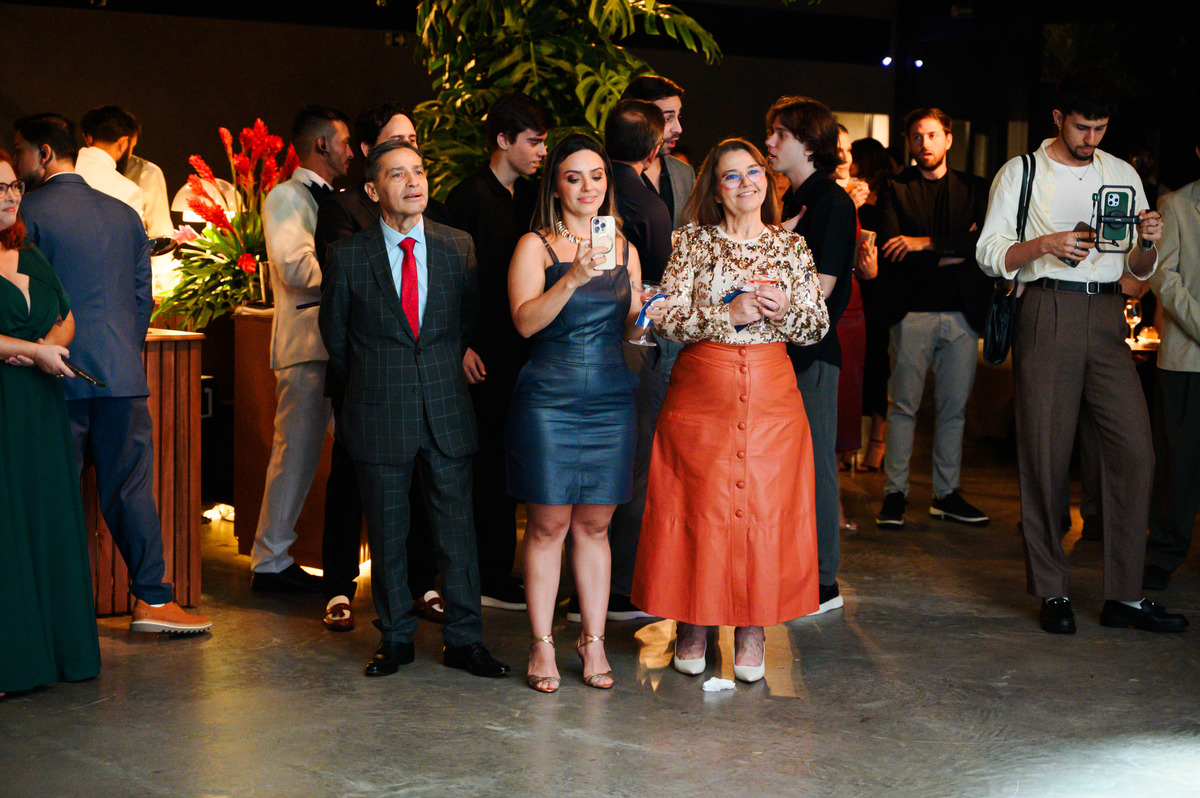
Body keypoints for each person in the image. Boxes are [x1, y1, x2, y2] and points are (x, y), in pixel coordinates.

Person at [976, 69, 1187, 634]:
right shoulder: (1021, 171)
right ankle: (1053, 590)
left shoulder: (1121, 173)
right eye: (1081, 127)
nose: (1091, 138)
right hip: (1047, 308)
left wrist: (1148, 243)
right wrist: (1047, 244)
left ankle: (1125, 595)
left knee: (1135, 452)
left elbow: (1136, 268)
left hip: (1108, 314)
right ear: (1058, 118)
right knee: (1045, 453)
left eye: (1100, 128)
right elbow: (989, 252)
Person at [631, 138, 830, 682]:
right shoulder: (692, 242)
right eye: (731, 176)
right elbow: (665, 316)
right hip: (702, 394)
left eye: (754, 172)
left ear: (768, 180)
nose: (746, 183)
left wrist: (784, 310)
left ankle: (752, 627)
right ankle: (692, 621)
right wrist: (729, 315)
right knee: (700, 507)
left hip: (772, 397)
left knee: (763, 511)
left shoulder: (791, 247)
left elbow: (816, 327)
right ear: (715, 191)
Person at [14, 113, 210, 633]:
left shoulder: (26, 212)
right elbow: (143, 300)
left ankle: (55, 613)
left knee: (51, 498)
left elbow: (25, 298)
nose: (16, 163)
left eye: (20, 151)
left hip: (51, 377)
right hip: (122, 376)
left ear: (44, 153)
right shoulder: (125, 214)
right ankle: (153, 600)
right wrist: (120, 350)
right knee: (131, 493)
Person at [320, 139, 508, 679]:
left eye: (419, 172)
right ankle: (395, 637)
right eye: (397, 174)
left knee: (458, 534)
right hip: (379, 408)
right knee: (387, 533)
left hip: (446, 407)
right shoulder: (349, 255)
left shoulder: (457, 246)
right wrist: (376, 382)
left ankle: (465, 640)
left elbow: (465, 322)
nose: (413, 182)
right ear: (373, 189)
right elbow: (337, 338)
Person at [506, 134, 641, 692]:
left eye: (597, 176)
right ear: (555, 187)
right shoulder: (535, 245)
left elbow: (632, 328)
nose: (588, 187)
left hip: (611, 396)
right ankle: (541, 643)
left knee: (596, 525)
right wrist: (574, 277)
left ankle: (593, 640)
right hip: (549, 398)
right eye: (574, 177)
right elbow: (525, 323)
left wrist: (653, 313)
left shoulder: (625, 248)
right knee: (548, 525)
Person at [314, 102, 449, 631]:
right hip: (364, 378)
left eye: (414, 144)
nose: (410, 156)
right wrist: (361, 373)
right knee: (350, 479)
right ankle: (338, 585)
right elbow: (339, 316)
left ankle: (422, 584)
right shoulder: (343, 209)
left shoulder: (433, 219)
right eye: (398, 142)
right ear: (371, 156)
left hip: (420, 380)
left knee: (418, 481)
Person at [0, 148, 102, 696]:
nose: (11, 197)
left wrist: (44, 346)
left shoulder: (29, 252)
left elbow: (67, 318)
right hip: (5, 403)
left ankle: (56, 651)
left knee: (43, 518)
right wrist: (28, 350)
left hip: (39, 404)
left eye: (14, 186)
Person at [445, 91, 551, 613]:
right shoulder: (467, 197)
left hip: (523, 350)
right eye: (534, 142)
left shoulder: (530, 198)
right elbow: (447, 280)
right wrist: (459, 345)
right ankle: (484, 574)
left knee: (510, 463)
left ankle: (498, 569)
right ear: (503, 140)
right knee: (484, 467)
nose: (541, 152)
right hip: (480, 353)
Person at [873, 108, 992, 529]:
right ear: (908, 141)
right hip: (911, 312)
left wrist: (923, 243)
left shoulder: (974, 187)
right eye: (916, 136)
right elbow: (891, 250)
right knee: (902, 407)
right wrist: (952, 251)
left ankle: (946, 494)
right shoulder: (895, 188)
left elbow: (981, 245)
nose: (924, 143)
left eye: (932, 135)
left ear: (948, 138)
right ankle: (895, 494)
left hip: (962, 313)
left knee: (953, 410)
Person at [251, 106, 353, 593]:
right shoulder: (286, 196)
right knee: (294, 455)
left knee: (343, 454)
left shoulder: (341, 198)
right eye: (345, 143)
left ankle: (286, 558)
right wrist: (354, 275)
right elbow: (294, 266)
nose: (352, 152)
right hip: (307, 344)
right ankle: (270, 561)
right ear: (321, 145)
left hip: (339, 346)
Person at [765, 96, 857, 615]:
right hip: (788, 350)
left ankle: (823, 581)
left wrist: (771, 260)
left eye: (781, 133)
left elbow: (821, 288)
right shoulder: (797, 198)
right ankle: (803, 572)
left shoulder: (830, 201)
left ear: (809, 143)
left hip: (813, 351)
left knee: (817, 464)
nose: (770, 142)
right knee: (794, 466)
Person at [600, 98, 674, 623]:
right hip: (633, 344)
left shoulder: (590, 194)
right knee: (633, 468)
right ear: (653, 150)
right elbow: (661, 288)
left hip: (579, 343)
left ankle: (584, 585)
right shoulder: (650, 205)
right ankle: (619, 588)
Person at [1143, 135, 1200, 591]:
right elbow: (1165, 279)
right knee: (1178, 466)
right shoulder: (1175, 205)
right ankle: (1163, 553)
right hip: (1186, 359)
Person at [850, 137, 898, 472]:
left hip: (880, 289)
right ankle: (849, 443)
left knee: (877, 367)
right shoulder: (849, 195)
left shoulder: (890, 196)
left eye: (852, 156)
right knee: (854, 368)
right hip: (854, 287)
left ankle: (877, 442)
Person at [619, 75, 695, 229]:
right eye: (667, 118)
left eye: (678, 116)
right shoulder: (607, 174)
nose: (678, 129)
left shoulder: (684, 173)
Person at [74, 106, 143, 215]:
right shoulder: (127, 191)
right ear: (123, 143)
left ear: (89, 139)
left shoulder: (58, 167)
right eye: (132, 146)